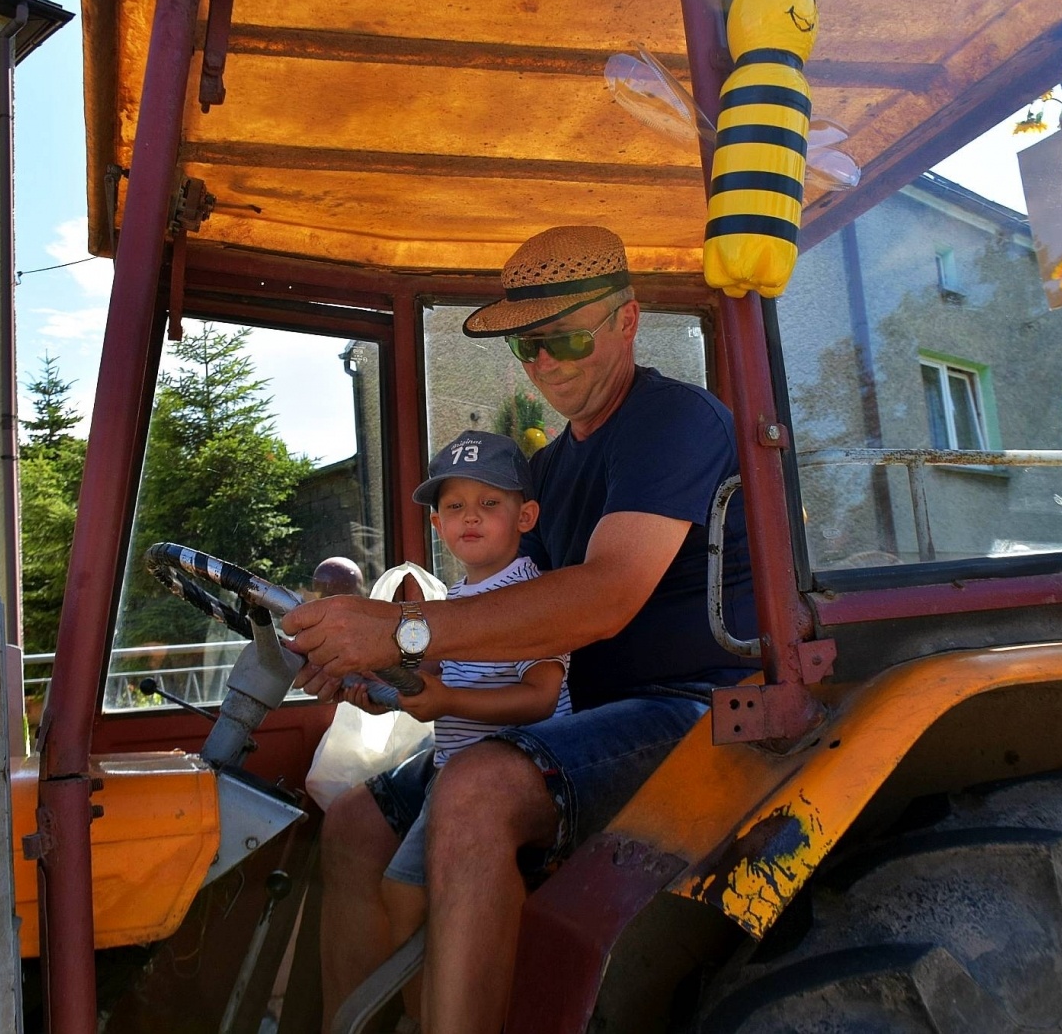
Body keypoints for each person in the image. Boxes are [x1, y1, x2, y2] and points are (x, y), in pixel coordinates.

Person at [281, 225, 757, 1033]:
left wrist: (398, 628)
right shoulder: (547, 469)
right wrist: (399, 674)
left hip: (696, 709)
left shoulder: (673, 423)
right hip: (578, 713)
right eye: (526, 347)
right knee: (359, 820)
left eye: (566, 337)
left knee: (476, 791)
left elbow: (604, 595)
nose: (545, 364)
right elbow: (519, 609)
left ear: (628, 320)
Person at [348, 429, 571, 1026]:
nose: (470, 518)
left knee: (416, 895)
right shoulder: (455, 601)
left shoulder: (530, 595)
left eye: (489, 504)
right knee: (400, 891)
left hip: (520, 771)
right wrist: (384, 689)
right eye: (454, 507)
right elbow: (432, 679)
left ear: (525, 515)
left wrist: (445, 696)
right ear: (438, 525)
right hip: (454, 771)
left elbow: (542, 697)